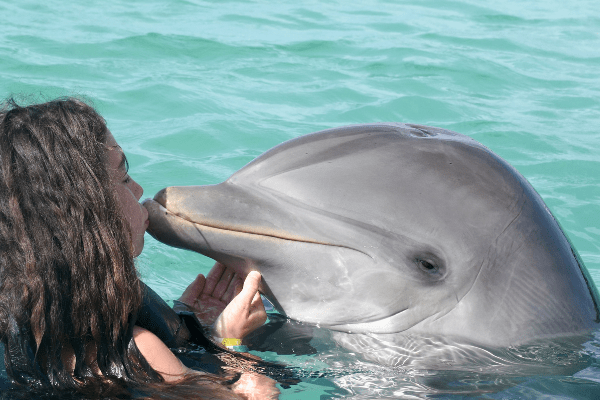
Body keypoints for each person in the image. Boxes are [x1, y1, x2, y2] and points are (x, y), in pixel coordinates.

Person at [0, 97, 278, 399]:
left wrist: (189, 322)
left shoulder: (22, 318)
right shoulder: (134, 356)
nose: (139, 190)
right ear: (85, 211)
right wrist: (229, 341)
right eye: (123, 176)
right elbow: (254, 394)